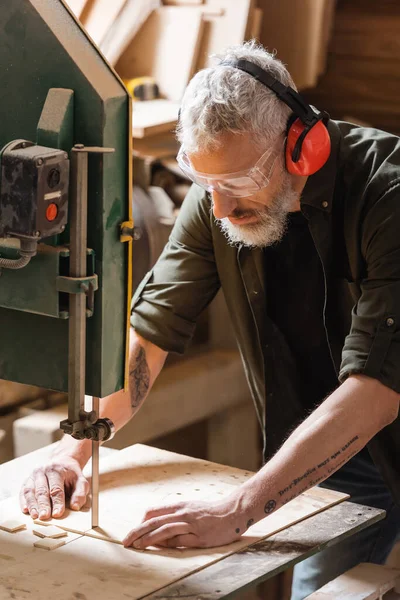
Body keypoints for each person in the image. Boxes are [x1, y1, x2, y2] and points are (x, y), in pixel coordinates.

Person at [20, 41, 400, 599]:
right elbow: (152, 331)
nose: (219, 210)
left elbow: (378, 387)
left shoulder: (388, 196)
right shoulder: (217, 198)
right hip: (338, 458)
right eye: (206, 185)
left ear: (302, 148)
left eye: (239, 183)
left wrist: (239, 506)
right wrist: (78, 444)